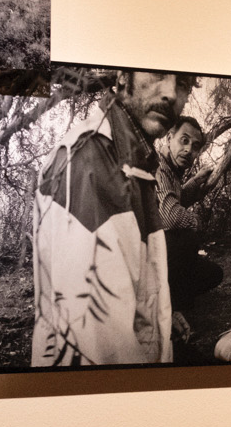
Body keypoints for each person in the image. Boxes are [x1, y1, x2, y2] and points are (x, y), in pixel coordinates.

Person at [30, 71, 195, 366]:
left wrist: (163, 319)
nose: (170, 92)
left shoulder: (133, 160)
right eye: (157, 72)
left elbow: (130, 282)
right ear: (122, 76)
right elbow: (100, 350)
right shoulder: (91, 164)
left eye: (183, 82)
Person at [156, 116, 230, 312]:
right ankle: (177, 309)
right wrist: (196, 221)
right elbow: (170, 216)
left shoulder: (172, 170)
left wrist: (196, 181)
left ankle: (169, 299)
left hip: (159, 254)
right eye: (184, 140)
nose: (189, 150)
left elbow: (174, 198)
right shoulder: (158, 167)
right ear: (169, 137)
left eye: (195, 146)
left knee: (213, 273)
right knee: (186, 239)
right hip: (142, 256)